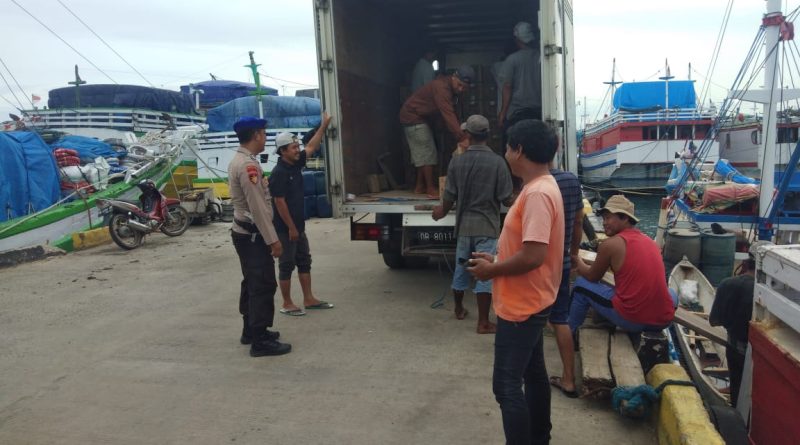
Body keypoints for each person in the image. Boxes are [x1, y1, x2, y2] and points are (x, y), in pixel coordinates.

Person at [468, 119, 564, 444]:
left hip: (523, 305)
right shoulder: (542, 187)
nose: (506, 153)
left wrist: (492, 271)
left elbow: (534, 255)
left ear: (519, 150)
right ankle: (540, 437)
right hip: (532, 298)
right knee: (534, 374)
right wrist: (496, 260)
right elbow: (528, 248)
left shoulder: (537, 194)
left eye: (508, 147)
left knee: (506, 386)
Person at [432, 114, 514, 334]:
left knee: (461, 268)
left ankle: (459, 309)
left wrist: (440, 212)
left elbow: (449, 197)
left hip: (464, 227)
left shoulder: (457, 162)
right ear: (488, 134)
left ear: (468, 134)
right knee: (485, 272)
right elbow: (507, 199)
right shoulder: (498, 162)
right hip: (487, 227)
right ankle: (483, 322)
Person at [569, 195, 677, 335]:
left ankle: (569, 331)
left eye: (608, 218)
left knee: (580, 285)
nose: (604, 223)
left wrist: (577, 260)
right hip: (664, 319)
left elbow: (592, 277)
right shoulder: (650, 242)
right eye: (603, 219)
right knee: (672, 293)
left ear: (625, 218)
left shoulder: (610, 244)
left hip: (633, 320)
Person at [228, 116, 291, 357]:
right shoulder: (248, 166)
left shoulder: (243, 160)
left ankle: (250, 330)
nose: (266, 138)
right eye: (264, 134)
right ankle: (260, 340)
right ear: (256, 135)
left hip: (244, 233)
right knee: (263, 284)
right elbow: (258, 208)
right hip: (253, 236)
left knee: (251, 281)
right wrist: (273, 240)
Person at [270, 112, 334, 316]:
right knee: (287, 264)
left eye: (297, 146)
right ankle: (287, 303)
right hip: (285, 229)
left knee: (304, 261)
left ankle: (309, 299)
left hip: (298, 226)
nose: (298, 150)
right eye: (293, 147)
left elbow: (312, 146)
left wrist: (323, 126)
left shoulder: (295, 163)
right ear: (282, 151)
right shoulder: (279, 173)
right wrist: (291, 228)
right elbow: (279, 202)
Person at [399, 66, 474, 199]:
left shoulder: (449, 88)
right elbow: (448, 113)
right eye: (459, 85)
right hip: (413, 117)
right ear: (454, 77)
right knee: (428, 153)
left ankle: (419, 186)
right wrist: (462, 138)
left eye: (464, 88)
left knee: (422, 154)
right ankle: (430, 188)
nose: (461, 89)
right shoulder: (441, 88)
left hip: (418, 118)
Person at [547, 167, 584, 398]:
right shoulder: (570, 181)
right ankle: (569, 379)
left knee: (528, 318)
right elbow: (578, 221)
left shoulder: (534, 184)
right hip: (561, 262)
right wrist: (573, 254)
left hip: (536, 266)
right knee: (560, 319)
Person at [709, 242, 760, 407]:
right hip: (758, 355)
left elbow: (714, 321)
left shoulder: (726, 284)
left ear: (745, 263)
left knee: (737, 389)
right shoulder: (763, 293)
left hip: (735, 348)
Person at [498, 22, 542, 132]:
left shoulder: (512, 60)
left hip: (518, 113)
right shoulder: (542, 58)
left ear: (517, 39)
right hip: (539, 112)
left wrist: (502, 113)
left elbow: (507, 87)